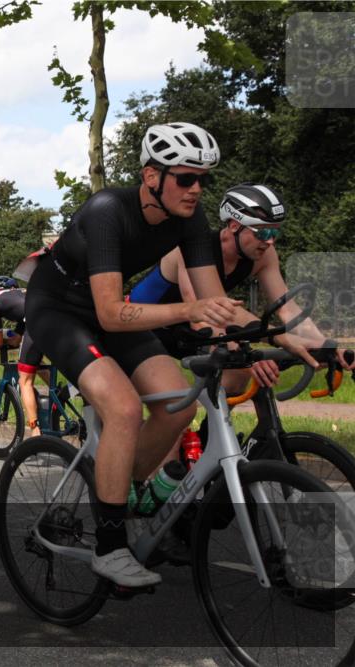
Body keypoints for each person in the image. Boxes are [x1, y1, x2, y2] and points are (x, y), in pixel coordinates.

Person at [21, 122, 320, 587]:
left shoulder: (190, 221)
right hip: (57, 310)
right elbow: (112, 312)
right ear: (151, 176)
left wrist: (291, 339)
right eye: (185, 178)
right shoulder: (107, 211)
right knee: (123, 407)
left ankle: (119, 486)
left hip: (109, 313)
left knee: (178, 402)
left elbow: (216, 303)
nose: (196, 189)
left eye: (202, 179)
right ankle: (110, 545)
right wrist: (189, 309)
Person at [129, 183, 352, 392]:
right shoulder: (193, 249)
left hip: (186, 329)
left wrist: (326, 344)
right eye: (262, 233)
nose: (270, 241)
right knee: (175, 397)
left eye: (275, 233)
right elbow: (201, 315)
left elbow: (287, 309)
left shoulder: (265, 255)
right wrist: (244, 351)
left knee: (238, 374)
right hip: (145, 326)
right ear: (234, 226)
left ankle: (211, 422)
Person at [0, 276, 45, 436]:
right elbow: (16, 340)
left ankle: (35, 431)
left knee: (25, 381)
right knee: (37, 362)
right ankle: (60, 395)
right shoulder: (24, 296)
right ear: (13, 288)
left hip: (36, 320)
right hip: (55, 315)